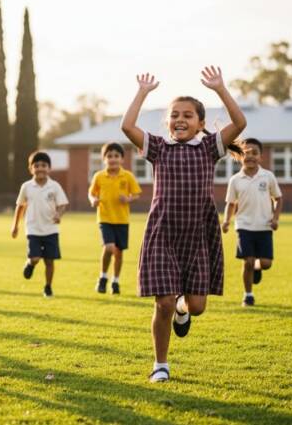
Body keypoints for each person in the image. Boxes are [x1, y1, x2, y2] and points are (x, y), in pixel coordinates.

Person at [120, 66, 246, 382]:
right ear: (168, 121)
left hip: (198, 236)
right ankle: (160, 365)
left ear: (200, 123)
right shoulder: (159, 149)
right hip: (163, 234)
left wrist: (220, 88)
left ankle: (183, 310)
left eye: (188, 115)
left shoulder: (208, 148)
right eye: (175, 114)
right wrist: (142, 92)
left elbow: (240, 123)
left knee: (198, 307)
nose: (180, 119)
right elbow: (127, 126)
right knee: (162, 303)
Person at [222, 138, 283, 307]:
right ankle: (248, 295)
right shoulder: (235, 180)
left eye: (254, 153)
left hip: (264, 226)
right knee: (247, 261)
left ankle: (257, 267)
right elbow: (231, 203)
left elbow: (278, 198)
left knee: (266, 263)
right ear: (240, 156)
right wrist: (226, 221)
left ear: (261, 156)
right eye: (246, 153)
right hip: (244, 226)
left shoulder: (268, 176)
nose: (250, 156)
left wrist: (275, 218)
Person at [11, 151, 69, 298]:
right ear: (31, 169)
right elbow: (20, 206)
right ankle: (30, 264)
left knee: (49, 261)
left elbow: (62, 204)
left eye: (44, 165)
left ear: (49, 168)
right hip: (33, 229)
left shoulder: (54, 186)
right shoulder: (26, 186)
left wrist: (58, 214)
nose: (40, 168)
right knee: (36, 258)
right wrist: (15, 225)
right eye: (36, 165)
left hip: (51, 229)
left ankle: (48, 287)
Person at [88, 142, 142, 295]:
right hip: (105, 218)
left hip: (122, 220)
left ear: (122, 159)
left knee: (118, 252)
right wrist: (93, 200)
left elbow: (136, 194)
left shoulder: (128, 176)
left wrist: (128, 199)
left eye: (116, 156)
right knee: (109, 247)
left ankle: (115, 281)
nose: (113, 159)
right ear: (104, 159)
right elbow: (91, 193)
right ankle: (103, 277)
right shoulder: (99, 176)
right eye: (109, 156)